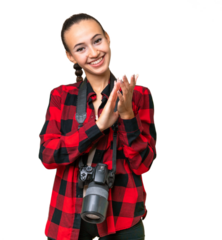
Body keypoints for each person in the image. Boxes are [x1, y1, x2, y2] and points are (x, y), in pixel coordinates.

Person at [38, 11, 157, 240]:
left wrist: (128, 116)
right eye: (80, 48)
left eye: (97, 41)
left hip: (123, 213)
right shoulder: (61, 95)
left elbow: (143, 164)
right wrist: (98, 126)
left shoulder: (138, 94)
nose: (93, 53)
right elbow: (47, 157)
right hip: (68, 211)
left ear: (108, 38)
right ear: (70, 56)